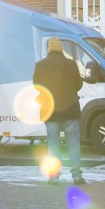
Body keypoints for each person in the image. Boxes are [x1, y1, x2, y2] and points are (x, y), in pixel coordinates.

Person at [33, 37, 85, 185]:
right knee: (73, 144)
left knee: (53, 145)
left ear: (49, 49)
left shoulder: (40, 65)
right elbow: (78, 84)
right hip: (70, 110)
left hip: (50, 111)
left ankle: (54, 177)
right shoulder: (71, 64)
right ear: (61, 49)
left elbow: (36, 85)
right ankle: (77, 176)